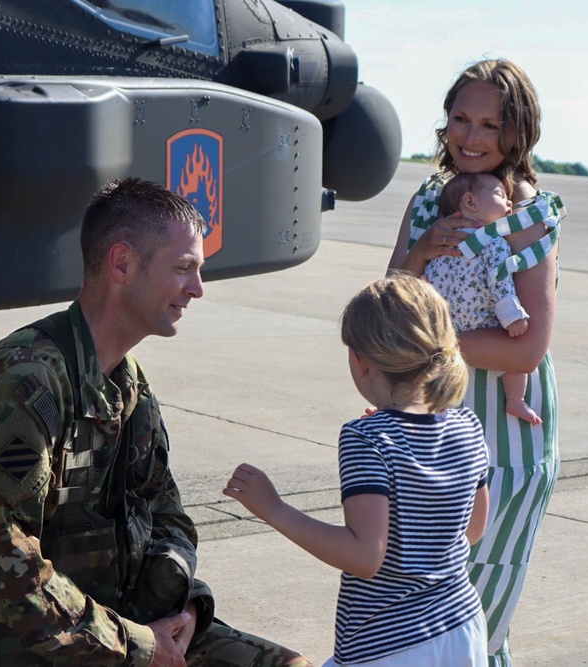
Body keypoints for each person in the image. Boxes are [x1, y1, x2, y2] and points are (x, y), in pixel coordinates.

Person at [0, 177, 313, 667]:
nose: (197, 289)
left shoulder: (128, 382)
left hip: (114, 629)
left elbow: (167, 515)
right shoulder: (29, 381)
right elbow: (1, 568)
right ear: (121, 263)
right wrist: (140, 646)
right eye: (183, 268)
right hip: (13, 644)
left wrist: (183, 609)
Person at [387, 58, 568, 667]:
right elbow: (390, 303)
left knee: (479, 620)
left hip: (506, 437)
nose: (470, 136)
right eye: (460, 118)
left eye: (489, 125)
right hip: (426, 428)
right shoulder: (427, 200)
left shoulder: (527, 213)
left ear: (517, 134)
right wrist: (421, 251)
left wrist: (433, 343)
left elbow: (527, 346)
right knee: (417, 615)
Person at [223, 273, 491, 667]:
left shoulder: (367, 438)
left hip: (388, 646)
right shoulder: (466, 425)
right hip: (462, 630)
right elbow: (473, 528)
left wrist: (274, 509)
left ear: (359, 361)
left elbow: (365, 556)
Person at [428, 171, 541, 425]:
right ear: (471, 202)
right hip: (485, 328)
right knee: (514, 363)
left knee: (439, 378)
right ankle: (515, 401)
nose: (509, 203)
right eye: (501, 195)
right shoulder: (494, 242)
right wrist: (513, 317)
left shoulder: (443, 243)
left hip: (450, 328)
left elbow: (429, 280)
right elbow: (500, 281)